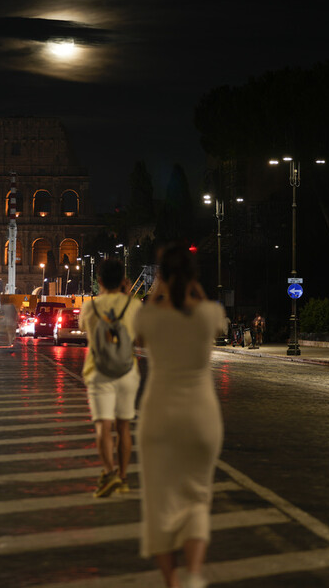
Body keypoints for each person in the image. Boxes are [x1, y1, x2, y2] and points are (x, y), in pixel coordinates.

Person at [133, 243, 225, 588]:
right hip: (202, 418)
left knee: (160, 502)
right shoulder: (209, 315)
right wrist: (192, 286)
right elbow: (206, 309)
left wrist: (159, 287)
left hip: (159, 416)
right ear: (193, 277)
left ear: (162, 277)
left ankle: (172, 582)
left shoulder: (150, 316)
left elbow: (140, 330)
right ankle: (195, 575)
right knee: (198, 497)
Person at [78, 257, 140, 499]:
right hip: (128, 372)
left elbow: (85, 328)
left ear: (99, 280)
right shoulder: (133, 306)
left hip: (99, 372)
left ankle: (109, 471)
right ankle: (123, 478)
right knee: (123, 427)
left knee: (103, 426)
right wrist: (127, 296)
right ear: (123, 280)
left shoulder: (89, 307)